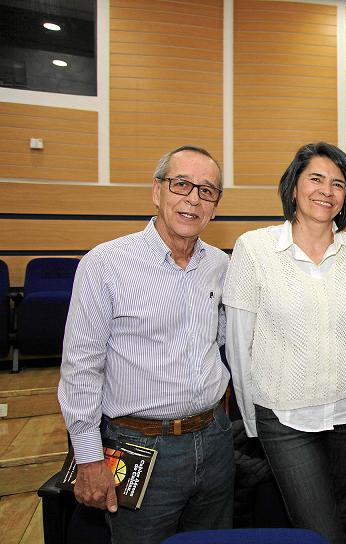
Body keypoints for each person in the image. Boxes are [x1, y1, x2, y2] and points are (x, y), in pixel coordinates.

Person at [58, 145, 233, 544]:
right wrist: (87, 457)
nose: (193, 198)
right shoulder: (105, 264)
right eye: (182, 184)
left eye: (207, 191)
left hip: (215, 439)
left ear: (215, 205)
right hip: (139, 449)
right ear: (157, 191)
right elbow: (81, 367)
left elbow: (225, 342)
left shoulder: (222, 266)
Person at [223, 142, 346, 544]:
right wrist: (254, 424)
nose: (326, 190)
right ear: (294, 186)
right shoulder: (253, 249)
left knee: (340, 519)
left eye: (338, 183)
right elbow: (239, 347)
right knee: (321, 531)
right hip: (283, 415)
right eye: (316, 178)